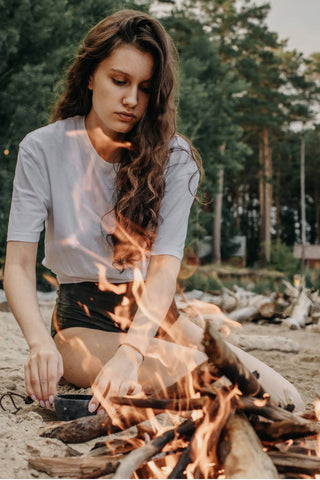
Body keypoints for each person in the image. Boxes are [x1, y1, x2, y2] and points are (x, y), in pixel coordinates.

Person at [4, 9, 304, 414]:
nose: (131, 100)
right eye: (119, 81)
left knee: (285, 397)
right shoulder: (42, 149)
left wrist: (132, 352)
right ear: (91, 76)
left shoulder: (175, 158)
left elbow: (164, 269)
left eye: (145, 88)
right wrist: (39, 344)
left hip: (155, 317)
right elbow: (18, 266)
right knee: (209, 377)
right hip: (81, 324)